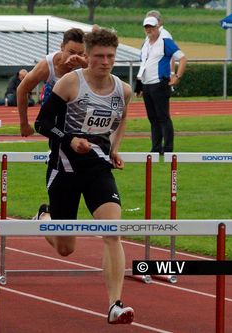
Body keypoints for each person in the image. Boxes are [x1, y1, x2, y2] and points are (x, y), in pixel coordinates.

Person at [34, 27, 134, 325]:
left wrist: (114, 147)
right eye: (99, 56)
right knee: (66, 248)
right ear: (87, 56)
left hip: (97, 168)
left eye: (111, 56)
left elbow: (123, 116)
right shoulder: (70, 83)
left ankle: (115, 305)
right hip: (64, 166)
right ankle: (43, 218)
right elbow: (43, 123)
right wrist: (69, 140)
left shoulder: (122, 89)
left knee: (112, 231)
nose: (105, 62)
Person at [17, 28, 87, 137]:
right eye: (71, 52)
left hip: (79, 108)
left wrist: (85, 64)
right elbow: (22, 89)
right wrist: (24, 124)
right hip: (55, 110)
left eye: (80, 54)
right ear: (62, 47)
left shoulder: (86, 63)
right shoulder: (46, 66)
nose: (75, 58)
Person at [135, 16, 187, 154]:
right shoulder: (145, 44)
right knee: (152, 118)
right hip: (147, 84)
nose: (149, 30)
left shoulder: (165, 42)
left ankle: (168, 148)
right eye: (146, 27)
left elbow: (182, 58)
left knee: (163, 117)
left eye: (151, 27)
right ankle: (156, 147)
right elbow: (143, 65)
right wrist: (139, 85)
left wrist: (177, 76)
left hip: (160, 84)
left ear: (158, 27)